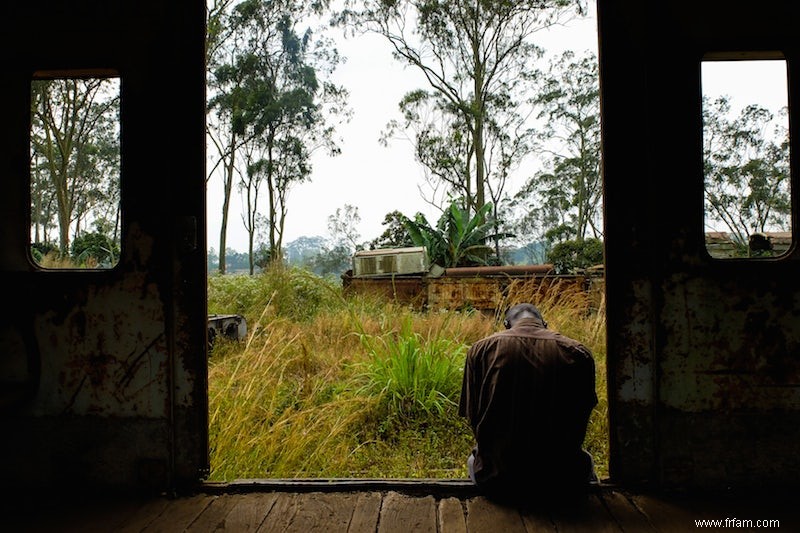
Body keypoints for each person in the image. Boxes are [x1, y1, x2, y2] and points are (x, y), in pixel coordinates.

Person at [459, 302, 598, 502]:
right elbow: (582, 415)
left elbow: (474, 416)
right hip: (562, 480)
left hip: (496, 479)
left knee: (473, 460)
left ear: (506, 324)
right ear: (545, 323)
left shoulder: (481, 349)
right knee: (587, 462)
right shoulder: (578, 352)